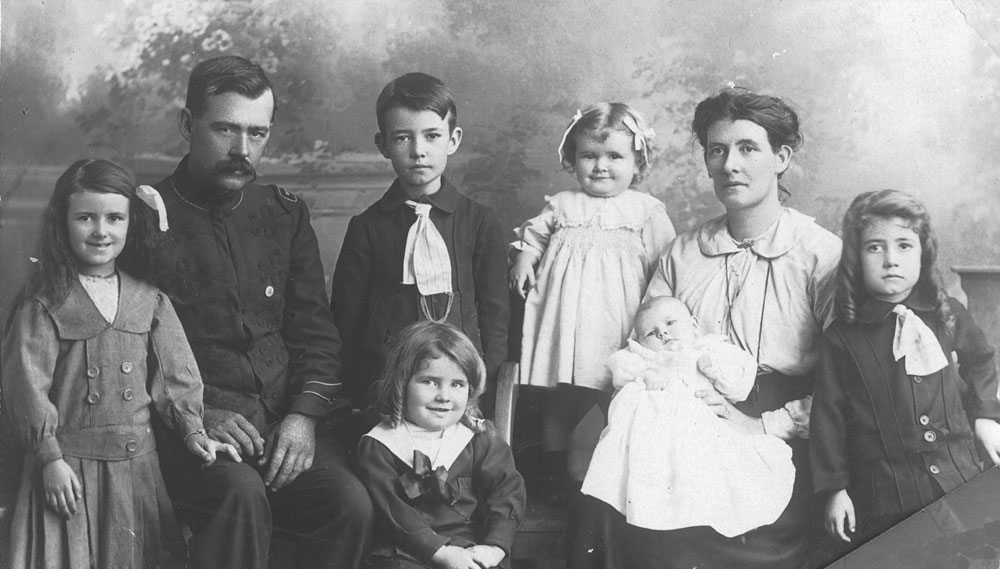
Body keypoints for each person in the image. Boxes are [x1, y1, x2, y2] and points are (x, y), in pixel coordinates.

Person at [568, 88, 842, 569]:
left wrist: (762, 423)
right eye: (717, 150)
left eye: (747, 148)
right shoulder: (684, 252)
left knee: (691, 530)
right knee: (612, 504)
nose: (729, 164)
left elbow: (848, 383)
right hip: (680, 424)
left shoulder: (819, 254)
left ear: (781, 158)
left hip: (785, 433)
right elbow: (644, 346)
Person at [151, 55, 373, 569]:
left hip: (281, 426)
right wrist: (196, 415)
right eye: (225, 129)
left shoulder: (284, 213)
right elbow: (121, 345)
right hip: (192, 434)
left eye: (257, 133)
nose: (241, 150)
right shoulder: (143, 216)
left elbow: (317, 335)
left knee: (351, 505)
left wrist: (302, 418)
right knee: (240, 494)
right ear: (188, 125)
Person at [1, 159, 240, 568]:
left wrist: (193, 431)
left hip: (137, 473)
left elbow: (176, 377)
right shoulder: (43, 303)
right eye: (85, 217)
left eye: (114, 217)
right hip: (67, 473)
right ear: (63, 221)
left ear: (132, 223)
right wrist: (49, 458)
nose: (100, 231)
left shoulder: (149, 299)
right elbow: (26, 387)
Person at [810, 189, 1000, 559]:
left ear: (923, 252)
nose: (891, 260)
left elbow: (981, 361)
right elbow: (828, 418)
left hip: (957, 473)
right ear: (855, 258)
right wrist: (835, 490)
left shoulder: (948, 315)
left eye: (904, 246)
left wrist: (986, 417)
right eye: (875, 248)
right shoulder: (842, 339)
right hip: (885, 492)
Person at [508, 102, 675, 503]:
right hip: (565, 322)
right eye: (589, 156)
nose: (600, 166)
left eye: (614, 156)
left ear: (638, 162)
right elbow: (532, 236)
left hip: (615, 320)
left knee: (612, 391)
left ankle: (603, 469)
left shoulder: (645, 211)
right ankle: (550, 468)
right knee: (559, 392)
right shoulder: (563, 204)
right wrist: (526, 257)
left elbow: (667, 266)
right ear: (572, 160)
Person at [331, 72, 508, 416]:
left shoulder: (480, 222)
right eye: (402, 138)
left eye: (431, 136)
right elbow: (346, 322)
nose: (418, 151)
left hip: (460, 393)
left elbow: (495, 317)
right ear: (382, 145)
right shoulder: (366, 228)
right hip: (384, 390)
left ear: (453, 140)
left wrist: (487, 393)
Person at [581, 295, 795, 538]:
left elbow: (739, 384)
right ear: (639, 342)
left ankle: (732, 516)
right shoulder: (646, 360)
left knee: (725, 468)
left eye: (671, 323)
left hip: (701, 423)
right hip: (657, 432)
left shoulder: (708, 349)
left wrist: (714, 369)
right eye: (651, 333)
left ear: (693, 325)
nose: (662, 333)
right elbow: (622, 374)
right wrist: (645, 375)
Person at [356, 321, 526, 569]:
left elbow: (506, 492)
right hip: (405, 549)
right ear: (402, 384)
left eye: (457, 384)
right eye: (430, 382)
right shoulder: (380, 445)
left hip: (471, 545)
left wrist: (495, 546)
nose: (444, 396)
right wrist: (439, 552)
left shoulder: (479, 437)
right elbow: (395, 513)